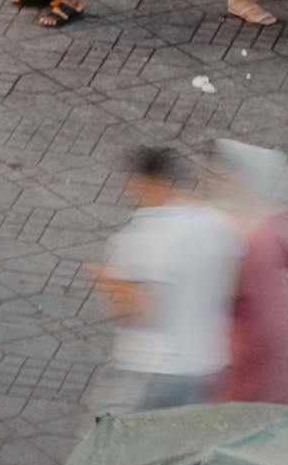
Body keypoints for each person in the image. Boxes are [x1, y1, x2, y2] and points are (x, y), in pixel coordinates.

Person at [93, 141, 244, 409]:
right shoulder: (217, 224)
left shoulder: (143, 235)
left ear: (145, 183)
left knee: (112, 445)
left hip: (151, 369)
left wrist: (112, 285)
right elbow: (237, 283)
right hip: (205, 367)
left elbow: (141, 309)